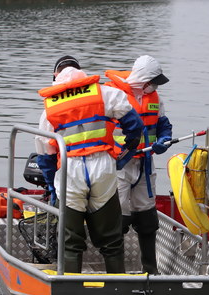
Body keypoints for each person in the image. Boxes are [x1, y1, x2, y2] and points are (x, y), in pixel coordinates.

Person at [34, 56, 143, 273]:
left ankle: (70, 289)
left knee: (70, 241)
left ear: (56, 76)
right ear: (81, 72)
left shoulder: (49, 109)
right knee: (111, 240)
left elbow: (45, 155)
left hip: (70, 171)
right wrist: (124, 153)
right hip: (103, 168)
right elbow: (134, 124)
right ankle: (117, 289)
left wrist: (50, 186)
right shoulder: (105, 93)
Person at [104, 55, 173, 274]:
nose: (154, 85)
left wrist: (164, 140)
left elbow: (163, 125)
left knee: (147, 216)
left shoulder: (155, 98)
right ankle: (116, 272)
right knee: (118, 216)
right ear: (143, 78)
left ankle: (151, 270)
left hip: (145, 163)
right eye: (153, 80)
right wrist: (118, 153)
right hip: (119, 164)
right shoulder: (111, 95)